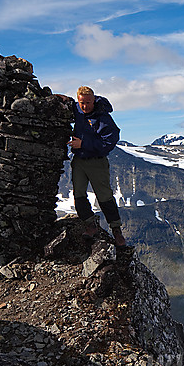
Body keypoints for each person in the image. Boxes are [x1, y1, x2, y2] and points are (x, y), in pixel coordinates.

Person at [68, 86, 127, 247]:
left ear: (94, 100)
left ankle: (116, 231)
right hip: (79, 160)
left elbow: (109, 143)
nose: (85, 106)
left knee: (104, 196)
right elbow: (70, 104)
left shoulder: (104, 118)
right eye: (82, 103)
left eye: (88, 103)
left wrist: (83, 144)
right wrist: (61, 98)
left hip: (97, 162)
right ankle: (90, 225)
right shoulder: (77, 110)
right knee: (78, 193)